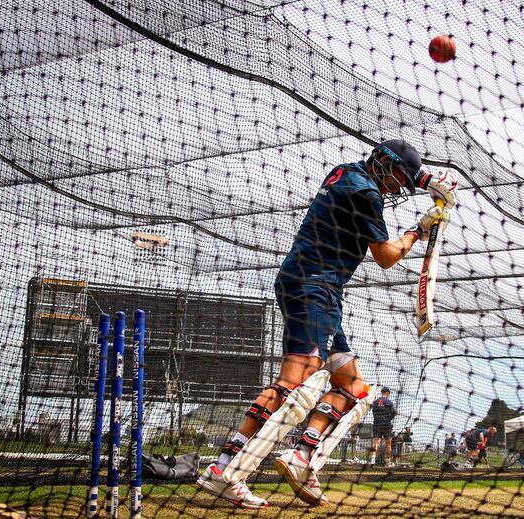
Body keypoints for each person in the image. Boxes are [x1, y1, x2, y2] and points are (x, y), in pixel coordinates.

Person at [195, 140, 458, 508]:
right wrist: (419, 230)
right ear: (384, 162)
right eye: (398, 177)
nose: (398, 187)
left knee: (353, 388)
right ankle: (223, 470)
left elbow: (408, 178)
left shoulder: (345, 172)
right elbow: (386, 256)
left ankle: (301, 456)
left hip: (312, 287)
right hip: (313, 288)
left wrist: (428, 183)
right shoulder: (366, 193)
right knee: (293, 382)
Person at [369, 387, 398, 467]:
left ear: (382, 392)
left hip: (377, 424)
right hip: (386, 425)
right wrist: (390, 417)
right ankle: (388, 462)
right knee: (388, 443)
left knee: (376, 441)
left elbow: (373, 411)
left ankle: (372, 460)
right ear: (387, 393)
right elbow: (394, 412)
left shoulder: (375, 402)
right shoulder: (388, 402)